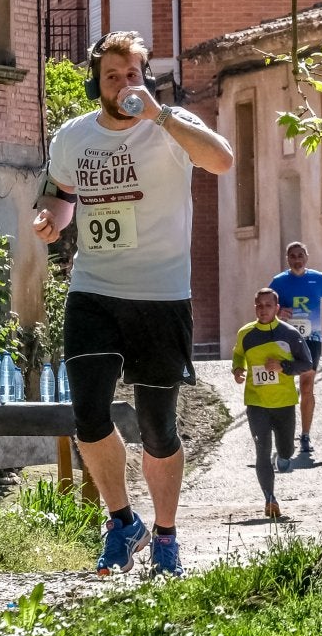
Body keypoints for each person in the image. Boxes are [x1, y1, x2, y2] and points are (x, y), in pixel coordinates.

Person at [32, 30, 234, 577]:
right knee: (89, 413)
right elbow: (60, 195)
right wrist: (51, 220)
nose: (124, 85)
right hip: (94, 288)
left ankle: (166, 536)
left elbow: (221, 161)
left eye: (133, 75)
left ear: (145, 75)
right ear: (97, 82)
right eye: (112, 76)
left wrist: (161, 118)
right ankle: (122, 522)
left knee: (157, 423)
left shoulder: (171, 126)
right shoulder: (73, 138)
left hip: (161, 295)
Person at [232, 288, 313, 519]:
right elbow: (238, 354)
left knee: (285, 450)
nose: (263, 309)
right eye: (259, 305)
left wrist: (283, 367)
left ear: (277, 308)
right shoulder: (245, 333)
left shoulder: (289, 334)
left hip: (284, 403)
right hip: (256, 403)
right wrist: (238, 369)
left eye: (268, 305)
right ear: (254, 306)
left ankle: (285, 455)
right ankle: (270, 498)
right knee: (262, 451)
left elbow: (306, 363)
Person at [268, 241, 322, 455]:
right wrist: (278, 314)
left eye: (300, 255)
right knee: (283, 386)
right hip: (285, 339)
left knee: (307, 387)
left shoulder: (318, 278)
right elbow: (265, 307)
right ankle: (281, 434)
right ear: (287, 259)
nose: (297, 259)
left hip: (311, 338)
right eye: (292, 256)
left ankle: (305, 436)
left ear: (306, 257)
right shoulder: (278, 282)